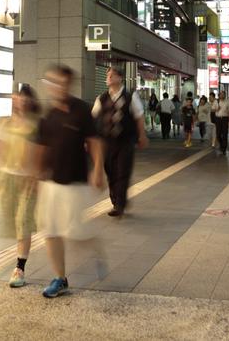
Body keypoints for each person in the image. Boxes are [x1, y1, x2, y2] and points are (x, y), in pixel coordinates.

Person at [36, 65, 105, 298]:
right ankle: (60, 278)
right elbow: (41, 148)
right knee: (51, 231)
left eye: (62, 83)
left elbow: (94, 141)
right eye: (53, 82)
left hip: (75, 181)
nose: (57, 87)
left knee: (77, 233)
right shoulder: (48, 115)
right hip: (51, 182)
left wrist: (98, 170)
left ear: (69, 85)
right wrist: (35, 175)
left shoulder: (81, 110)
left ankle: (96, 250)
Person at [0, 84, 41, 288]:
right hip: (8, 177)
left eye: (25, 98)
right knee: (12, 220)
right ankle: (20, 258)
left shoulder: (36, 125)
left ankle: (19, 267)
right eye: (18, 98)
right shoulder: (3, 123)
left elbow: (40, 152)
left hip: (27, 179)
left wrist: (36, 175)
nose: (20, 101)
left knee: (23, 221)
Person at [92, 67, 148, 217]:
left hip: (125, 140)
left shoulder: (130, 97)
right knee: (110, 172)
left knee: (123, 171)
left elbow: (139, 116)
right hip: (106, 142)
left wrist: (142, 136)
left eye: (112, 75)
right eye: (107, 75)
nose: (108, 78)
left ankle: (120, 204)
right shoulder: (101, 98)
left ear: (120, 78)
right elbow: (93, 118)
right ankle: (116, 199)